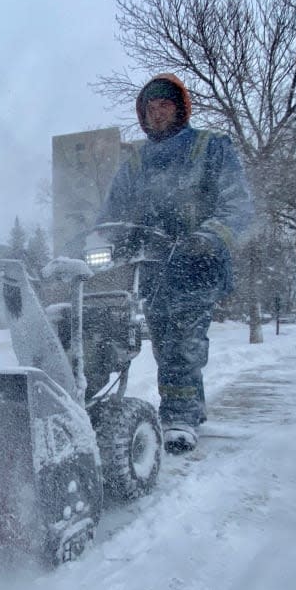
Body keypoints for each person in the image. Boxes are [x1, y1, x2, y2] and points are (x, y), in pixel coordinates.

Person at [99, 73, 254, 454]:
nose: (156, 113)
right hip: (152, 267)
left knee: (183, 339)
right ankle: (191, 407)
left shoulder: (210, 147)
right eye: (150, 108)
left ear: (181, 108)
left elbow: (237, 204)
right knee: (165, 341)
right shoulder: (135, 162)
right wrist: (101, 240)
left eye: (164, 105)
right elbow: (112, 213)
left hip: (196, 263)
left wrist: (209, 235)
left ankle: (179, 418)